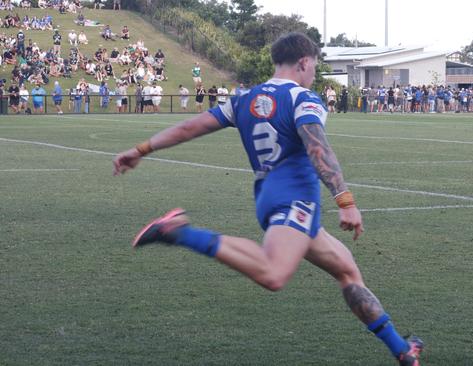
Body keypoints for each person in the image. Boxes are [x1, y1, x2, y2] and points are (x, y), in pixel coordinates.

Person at [112, 32, 423, 366]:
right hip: (296, 202)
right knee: (274, 275)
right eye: (314, 65)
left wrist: (141, 149)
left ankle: (402, 351)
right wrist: (345, 200)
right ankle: (179, 231)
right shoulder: (304, 98)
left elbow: (191, 126)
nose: (313, 72)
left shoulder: (244, 98)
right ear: (304, 61)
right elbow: (317, 147)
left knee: (347, 271)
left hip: (270, 197)